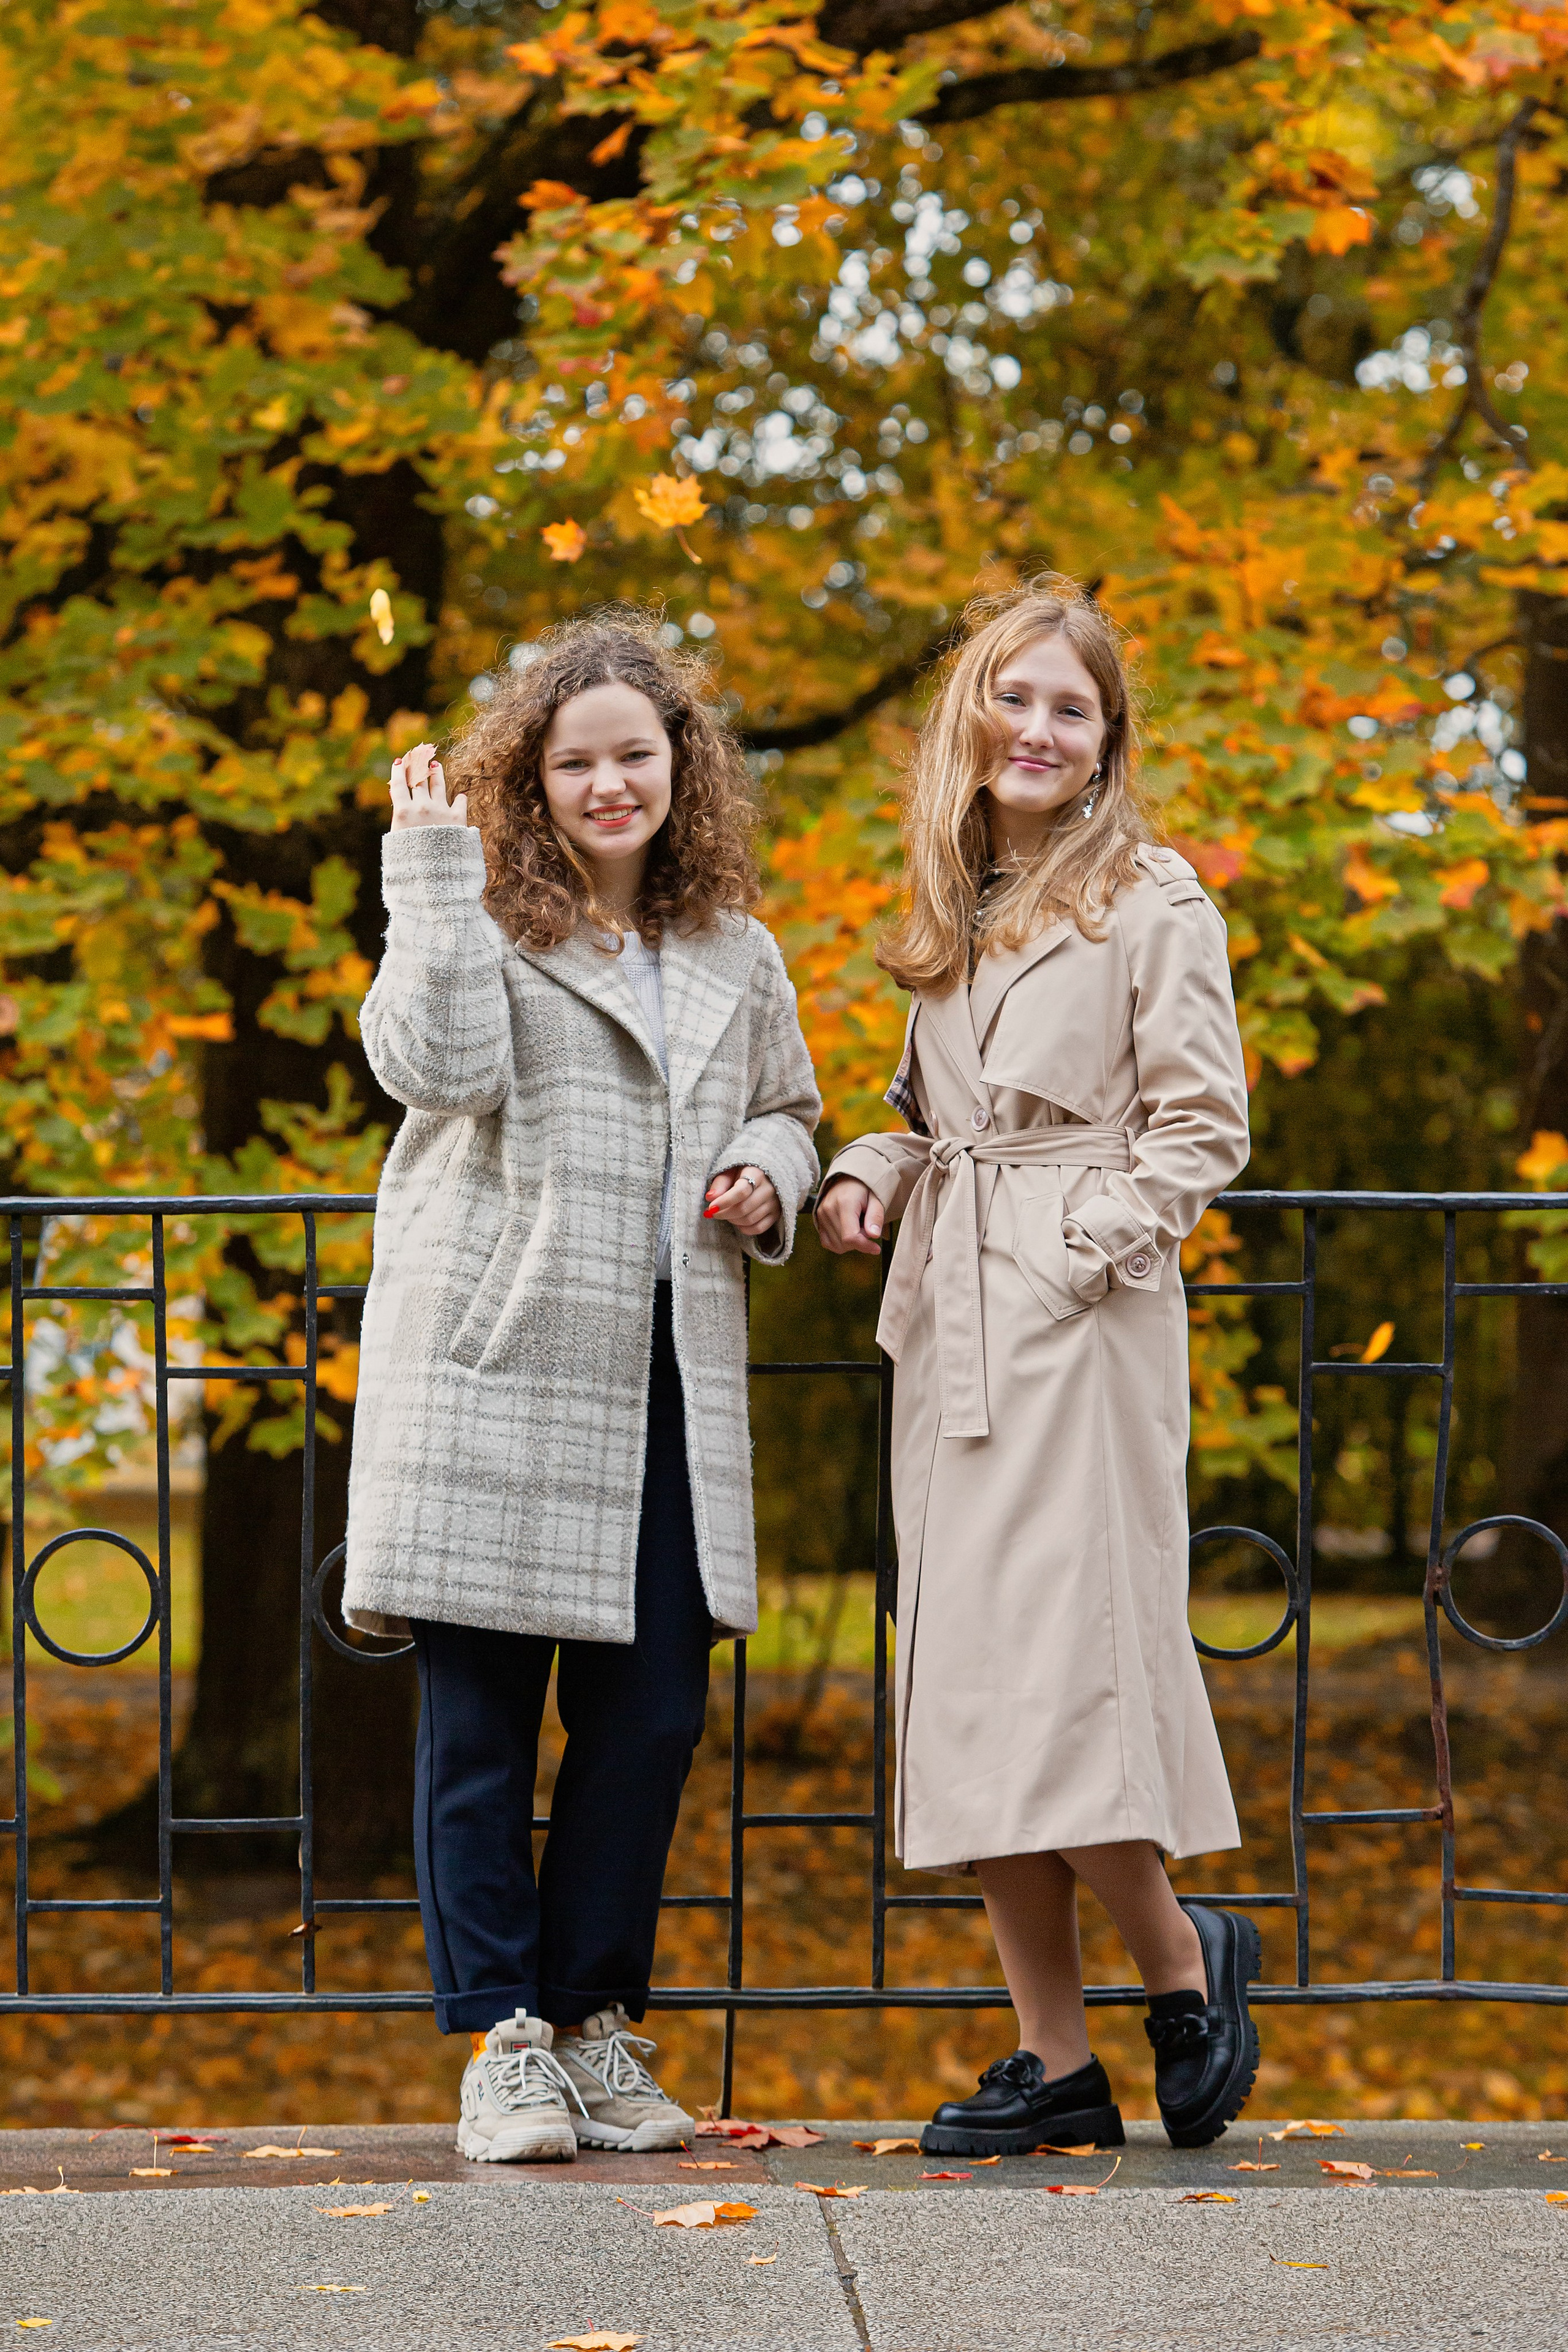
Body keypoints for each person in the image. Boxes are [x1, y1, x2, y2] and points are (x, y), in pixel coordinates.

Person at [342, 608, 820, 2163]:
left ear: (681, 768)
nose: (609, 785)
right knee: (478, 1725)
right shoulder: (476, 907)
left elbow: (791, 1111)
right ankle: (503, 2044)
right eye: (575, 761)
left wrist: (766, 1167)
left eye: (636, 755)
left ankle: (598, 2022)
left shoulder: (738, 950)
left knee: (651, 1714)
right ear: (529, 779)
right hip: (496, 1362)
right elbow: (436, 1068)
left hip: (669, 1372)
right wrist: (425, 874)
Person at [816, 578, 1256, 2154]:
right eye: (1016, 698)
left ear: (1105, 739)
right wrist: (863, 1174)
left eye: (1073, 708)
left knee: (1063, 1679)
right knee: (974, 1693)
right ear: (972, 720)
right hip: (952, 1329)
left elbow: (1204, 1129)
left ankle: (1182, 1965)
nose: (1040, 730)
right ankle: (1056, 2064)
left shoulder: (1151, 901)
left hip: (1079, 1324)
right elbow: (919, 1108)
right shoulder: (949, 905)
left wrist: (1074, 1251)